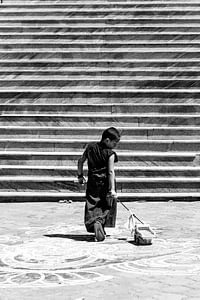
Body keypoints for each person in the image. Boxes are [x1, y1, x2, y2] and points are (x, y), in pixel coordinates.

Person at [77, 127, 121, 242]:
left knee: (92, 204)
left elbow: (80, 161)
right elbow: (111, 172)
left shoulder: (90, 148)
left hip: (92, 182)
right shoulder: (110, 154)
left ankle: (95, 224)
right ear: (107, 140)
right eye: (114, 142)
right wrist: (112, 189)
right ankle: (99, 222)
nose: (115, 145)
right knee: (106, 205)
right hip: (106, 183)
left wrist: (80, 176)